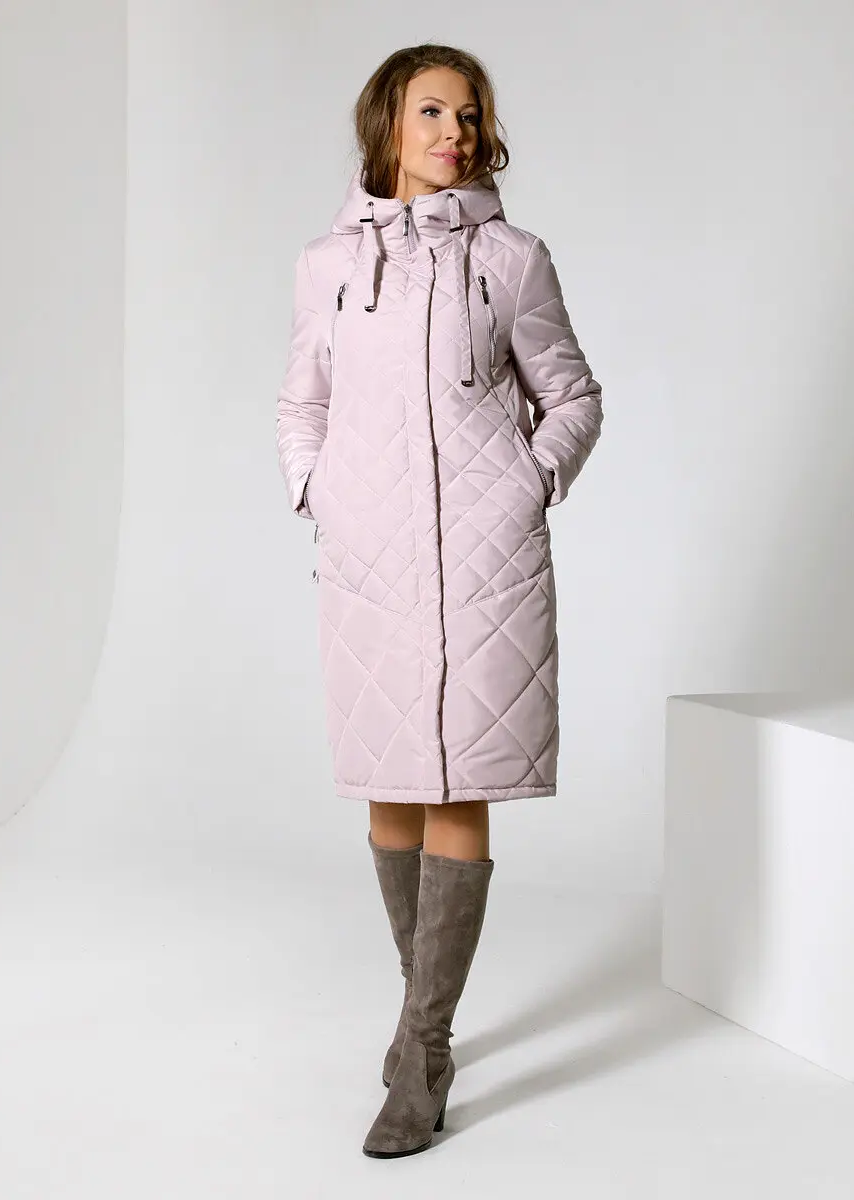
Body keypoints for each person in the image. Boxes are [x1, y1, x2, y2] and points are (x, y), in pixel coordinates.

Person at [275, 43, 603, 1157]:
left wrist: (529, 481)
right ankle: (423, 1013)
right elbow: (301, 402)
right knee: (390, 789)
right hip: (369, 560)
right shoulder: (326, 264)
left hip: (482, 560)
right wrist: (315, 488)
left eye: (468, 115)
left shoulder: (512, 259)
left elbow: (571, 394)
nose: (453, 133)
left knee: (461, 783)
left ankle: (423, 1047)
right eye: (431, 112)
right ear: (388, 123)